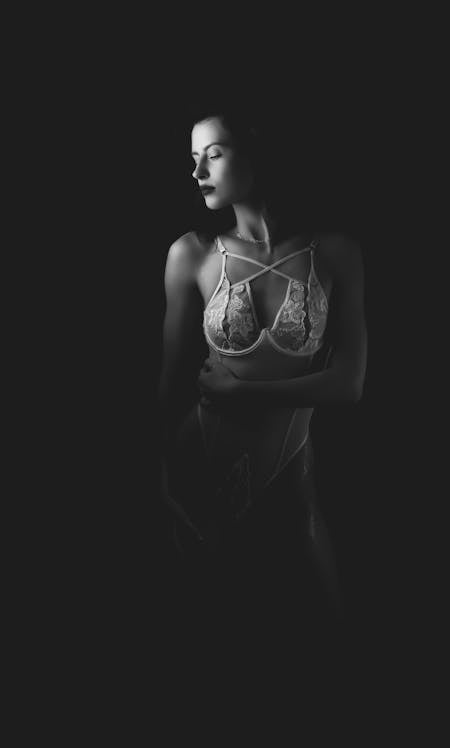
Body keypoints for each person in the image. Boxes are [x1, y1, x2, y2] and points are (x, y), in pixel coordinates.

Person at [159, 105, 367, 661]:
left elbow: (349, 385)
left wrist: (244, 392)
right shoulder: (193, 254)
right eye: (193, 159)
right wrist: (149, 476)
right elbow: (168, 379)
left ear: (256, 153)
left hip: (290, 468)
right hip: (197, 456)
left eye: (215, 154)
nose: (198, 172)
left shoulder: (337, 253)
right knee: (206, 634)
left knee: (330, 636)